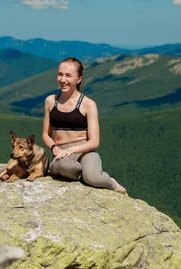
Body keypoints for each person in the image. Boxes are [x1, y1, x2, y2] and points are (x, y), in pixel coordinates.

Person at [42, 57, 127, 195]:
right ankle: (81, 173)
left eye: (68, 75)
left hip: (84, 151)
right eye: (60, 74)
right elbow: (46, 134)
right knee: (63, 166)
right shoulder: (50, 101)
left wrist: (72, 150)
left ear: (79, 79)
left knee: (93, 178)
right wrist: (54, 148)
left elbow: (94, 142)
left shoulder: (88, 104)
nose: (63, 80)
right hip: (61, 151)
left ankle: (112, 184)